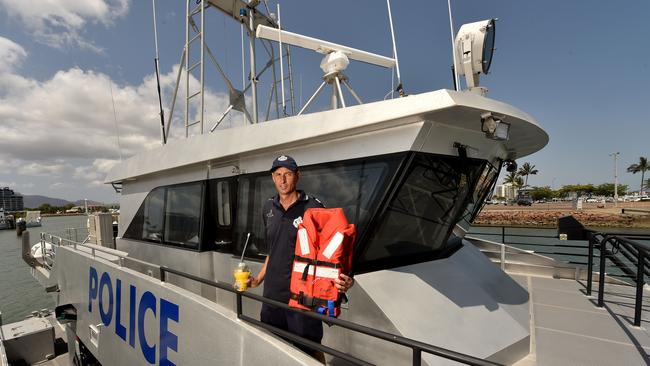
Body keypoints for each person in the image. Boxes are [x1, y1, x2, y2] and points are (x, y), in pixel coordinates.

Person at [248, 155, 354, 360]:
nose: (283, 180)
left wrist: (346, 279)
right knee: (273, 347)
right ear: (272, 177)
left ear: (297, 175)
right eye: (278, 175)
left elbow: (332, 251)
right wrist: (258, 279)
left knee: (310, 351)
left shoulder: (313, 207)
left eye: (288, 174)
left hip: (303, 296)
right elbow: (273, 250)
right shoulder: (268, 208)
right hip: (272, 295)